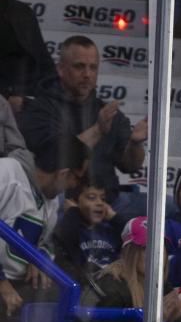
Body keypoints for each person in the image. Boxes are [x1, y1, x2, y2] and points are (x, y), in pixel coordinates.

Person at [0, 136, 88, 322]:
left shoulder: (51, 199)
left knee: (57, 308)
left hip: (17, 283)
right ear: (62, 173)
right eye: (75, 178)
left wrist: (39, 260)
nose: (75, 186)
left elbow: (42, 242)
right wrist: (1, 283)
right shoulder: (6, 173)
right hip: (4, 283)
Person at [19, 35, 148, 219]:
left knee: (167, 208)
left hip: (109, 202)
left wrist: (135, 144)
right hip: (62, 203)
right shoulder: (39, 109)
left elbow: (130, 166)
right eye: (79, 66)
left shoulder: (108, 112)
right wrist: (97, 130)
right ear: (61, 69)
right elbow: (56, 158)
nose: (87, 74)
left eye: (93, 67)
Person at [0, 0, 56, 114]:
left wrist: (54, 94)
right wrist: (6, 96)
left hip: (30, 101)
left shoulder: (23, 13)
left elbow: (45, 62)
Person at [54, 174, 125, 285]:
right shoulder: (71, 229)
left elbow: (135, 241)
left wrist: (114, 217)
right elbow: (67, 241)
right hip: (87, 289)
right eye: (91, 197)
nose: (100, 203)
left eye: (103, 199)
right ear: (74, 202)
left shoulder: (110, 230)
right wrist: (73, 212)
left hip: (114, 287)